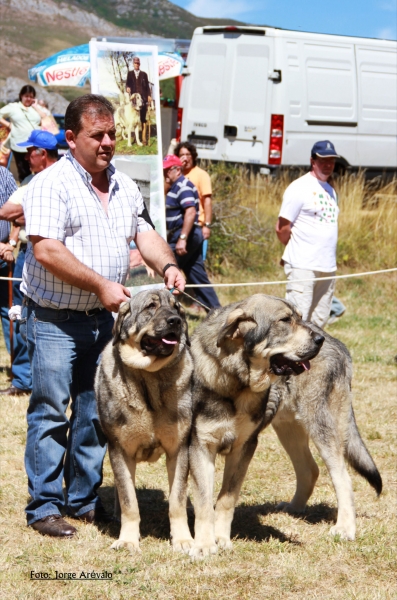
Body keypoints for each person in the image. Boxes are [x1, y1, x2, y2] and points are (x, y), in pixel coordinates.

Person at [21, 94, 185, 538]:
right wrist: (100, 285)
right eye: (98, 135)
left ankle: (83, 499)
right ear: (71, 138)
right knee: (52, 411)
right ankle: (45, 507)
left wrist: (168, 265)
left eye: (112, 133)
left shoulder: (125, 185)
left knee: (97, 413)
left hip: (107, 324)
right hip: (56, 319)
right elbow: (46, 249)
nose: (109, 142)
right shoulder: (49, 184)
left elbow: (145, 232)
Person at [0, 131, 60, 396]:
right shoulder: (32, 179)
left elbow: (8, 211)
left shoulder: (46, 181)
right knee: (23, 314)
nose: (25, 157)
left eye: (29, 152)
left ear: (41, 154)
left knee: (32, 315)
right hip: (28, 250)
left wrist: (27, 215)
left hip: (43, 253)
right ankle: (28, 378)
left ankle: (33, 379)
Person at [275, 140, 340, 327]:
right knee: (297, 319)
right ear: (313, 161)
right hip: (303, 264)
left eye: (331, 161)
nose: (328, 165)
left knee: (319, 321)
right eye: (323, 160)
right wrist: (292, 249)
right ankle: (293, 357)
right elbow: (282, 226)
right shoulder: (299, 187)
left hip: (327, 266)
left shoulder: (331, 190)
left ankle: (311, 357)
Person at [164, 154, 220, 310]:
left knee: (166, 269)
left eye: (167, 171)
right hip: (189, 234)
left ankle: (161, 311)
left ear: (177, 169)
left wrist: (182, 238)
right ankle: (217, 312)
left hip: (183, 234)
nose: (164, 174)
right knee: (197, 274)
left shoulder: (183, 186)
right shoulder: (175, 186)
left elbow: (190, 211)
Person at [0, 85, 41, 182]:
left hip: (36, 144)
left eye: (31, 97)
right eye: (26, 96)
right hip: (20, 144)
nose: (29, 99)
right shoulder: (13, 107)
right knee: (24, 171)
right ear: (21, 96)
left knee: (38, 170)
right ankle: (24, 189)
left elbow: (46, 118)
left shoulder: (34, 108)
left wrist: (36, 106)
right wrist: (8, 124)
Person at [174, 141, 213, 241]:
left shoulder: (201, 175)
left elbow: (207, 200)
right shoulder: (175, 175)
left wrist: (207, 225)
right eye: (182, 155)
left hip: (196, 226)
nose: (185, 158)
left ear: (193, 156)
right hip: (177, 226)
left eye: (188, 155)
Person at [0, 167, 18, 358]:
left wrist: (11, 243)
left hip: (4, 257)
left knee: (10, 313)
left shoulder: (4, 175)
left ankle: (20, 376)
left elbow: (21, 210)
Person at [126, 57, 151, 133]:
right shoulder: (130, 74)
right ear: (133, 64)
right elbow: (127, 84)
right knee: (134, 117)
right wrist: (127, 88)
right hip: (134, 100)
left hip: (143, 98)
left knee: (143, 118)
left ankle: (143, 137)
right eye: (135, 63)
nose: (136, 64)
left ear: (139, 64)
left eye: (138, 63)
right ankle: (135, 135)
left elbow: (147, 86)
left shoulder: (144, 74)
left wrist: (149, 95)